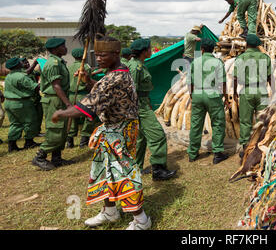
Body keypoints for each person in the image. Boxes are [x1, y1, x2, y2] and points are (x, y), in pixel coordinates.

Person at [51, 36, 151, 230]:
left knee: (123, 172)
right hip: (111, 130)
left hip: (120, 131)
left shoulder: (116, 77)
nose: (98, 58)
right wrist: (88, 80)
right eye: (96, 54)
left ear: (116, 54)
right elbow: (101, 90)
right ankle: (110, 212)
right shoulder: (116, 72)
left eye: (103, 55)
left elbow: (88, 105)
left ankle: (142, 220)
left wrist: (62, 112)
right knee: (103, 169)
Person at [128, 38, 177, 180]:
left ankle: (135, 168)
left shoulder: (140, 65)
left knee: (141, 139)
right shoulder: (135, 67)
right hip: (139, 106)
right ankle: (158, 170)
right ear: (143, 52)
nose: (151, 50)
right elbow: (132, 90)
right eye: (149, 49)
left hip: (142, 104)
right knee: (157, 135)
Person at [32, 38, 74, 171]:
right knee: (55, 130)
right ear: (55, 49)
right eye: (63, 46)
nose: (66, 48)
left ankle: (56, 158)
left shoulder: (59, 62)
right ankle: (39, 157)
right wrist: (68, 104)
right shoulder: (53, 63)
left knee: (62, 130)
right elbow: (56, 85)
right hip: (54, 100)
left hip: (59, 98)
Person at [188, 38, 229, 164]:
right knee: (218, 123)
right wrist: (225, 97)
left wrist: (192, 95)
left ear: (202, 49)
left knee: (196, 124)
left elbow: (190, 82)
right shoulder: (217, 62)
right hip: (213, 95)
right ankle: (217, 153)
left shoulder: (195, 62)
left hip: (197, 95)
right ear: (213, 49)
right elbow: (222, 82)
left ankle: (192, 154)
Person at [233, 34, 272, 157]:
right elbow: (270, 77)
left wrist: (234, 92)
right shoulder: (265, 57)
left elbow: (236, 78)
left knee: (245, 121)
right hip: (262, 90)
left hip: (247, 90)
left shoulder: (241, 58)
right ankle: (260, 146)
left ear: (246, 44)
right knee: (262, 120)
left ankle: (245, 147)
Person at [3, 57, 40, 152]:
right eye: (20, 62)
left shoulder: (8, 76)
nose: (22, 63)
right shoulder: (21, 76)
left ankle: (12, 145)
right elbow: (35, 87)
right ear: (17, 65)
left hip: (9, 102)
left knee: (15, 123)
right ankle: (29, 142)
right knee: (30, 121)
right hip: (21, 103)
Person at [66, 48, 96, 149]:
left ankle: (70, 141)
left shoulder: (69, 67)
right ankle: (84, 140)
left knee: (73, 117)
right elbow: (87, 82)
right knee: (88, 117)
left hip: (71, 95)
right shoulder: (85, 67)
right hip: (83, 94)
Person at [20, 58, 44, 137]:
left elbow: (39, 73)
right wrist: (34, 64)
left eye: (27, 62)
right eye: (24, 63)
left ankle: (37, 131)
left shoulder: (32, 71)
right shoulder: (21, 72)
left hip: (37, 97)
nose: (27, 63)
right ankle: (29, 133)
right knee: (31, 117)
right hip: (29, 98)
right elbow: (27, 73)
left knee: (39, 115)